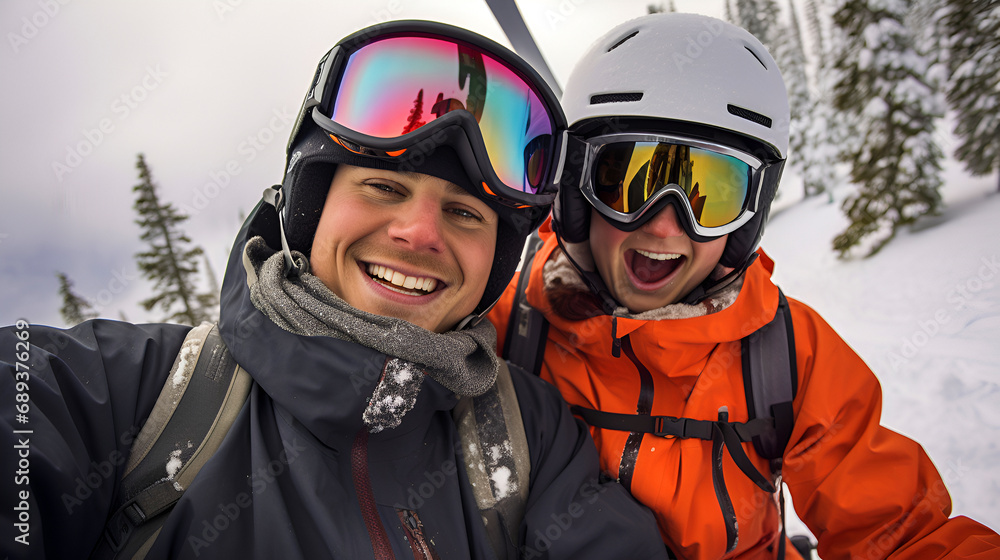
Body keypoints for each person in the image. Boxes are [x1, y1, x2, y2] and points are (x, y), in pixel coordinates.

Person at [0, 21, 669, 560]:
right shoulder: (130, 398)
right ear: (311, 207)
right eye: (383, 187)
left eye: (465, 215)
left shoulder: (529, 435)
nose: (418, 233)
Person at [487, 13, 1000, 560]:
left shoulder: (785, 353)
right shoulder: (507, 328)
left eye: (711, 192)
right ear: (577, 192)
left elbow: (900, 533)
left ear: (746, 221)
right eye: (628, 180)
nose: (664, 224)